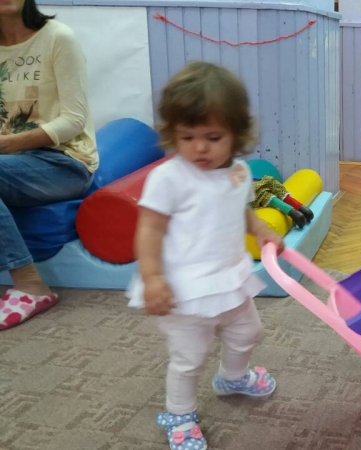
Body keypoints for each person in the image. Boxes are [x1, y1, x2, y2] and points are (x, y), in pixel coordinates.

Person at [127, 61, 284, 450]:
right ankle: (180, 415)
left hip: (230, 279)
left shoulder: (239, 173)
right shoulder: (168, 178)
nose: (199, 147)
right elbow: (149, 229)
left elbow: (239, 209)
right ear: (173, 134)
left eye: (213, 137)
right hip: (184, 292)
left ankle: (232, 377)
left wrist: (261, 229)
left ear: (236, 134)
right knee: (189, 358)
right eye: (187, 136)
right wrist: (152, 277)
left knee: (248, 332)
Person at [0, 0, 96, 330]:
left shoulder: (58, 37)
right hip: (11, 161)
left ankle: (31, 285)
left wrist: (9, 144)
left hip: (64, 161)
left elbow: (74, 119)